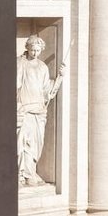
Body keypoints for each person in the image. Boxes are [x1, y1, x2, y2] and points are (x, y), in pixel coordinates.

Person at [17, 35, 65, 187]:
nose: (35, 53)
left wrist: (60, 78)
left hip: (39, 110)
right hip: (24, 108)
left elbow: (47, 91)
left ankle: (30, 171)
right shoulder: (19, 63)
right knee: (23, 142)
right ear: (27, 48)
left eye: (38, 51)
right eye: (33, 50)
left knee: (37, 143)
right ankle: (22, 174)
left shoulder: (43, 67)